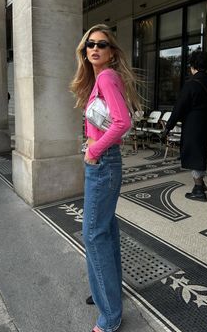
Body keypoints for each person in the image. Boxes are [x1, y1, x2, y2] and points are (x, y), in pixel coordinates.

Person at [70, 24, 141, 332]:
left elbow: (122, 122)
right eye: (90, 44)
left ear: (112, 52)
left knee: (94, 235)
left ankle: (110, 315)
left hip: (102, 164)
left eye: (102, 44)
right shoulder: (101, 79)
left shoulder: (108, 76)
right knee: (105, 231)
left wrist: (94, 149)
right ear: (85, 51)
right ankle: (107, 292)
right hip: (102, 163)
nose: (95, 48)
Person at [162, 50, 207, 201]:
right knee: (200, 153)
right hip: (206, 125)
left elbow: (179, 107)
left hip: (193, 126)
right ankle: (199, 184)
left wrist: (168, 127)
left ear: (192, 66)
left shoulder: (191, 84)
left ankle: (199, 189)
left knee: (194, 156)